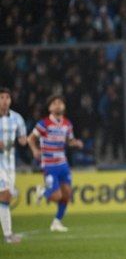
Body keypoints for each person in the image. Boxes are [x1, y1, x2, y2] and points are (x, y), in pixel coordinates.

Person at [27, 95, 84, 232]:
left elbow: (69, 141)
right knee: (56, 196)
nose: (58, 105)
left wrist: (76, 143)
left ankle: (56, 222)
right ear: (50, 108)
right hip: (49, 164)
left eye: (60, 103)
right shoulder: (44, 123)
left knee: (67, 195)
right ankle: (42, 191)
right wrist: (35, 150)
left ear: (64, 106)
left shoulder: (67, 124)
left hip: (63, 163)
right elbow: (30, 138)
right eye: (54, 103)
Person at [0, 87, 27, 243]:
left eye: (7, 97)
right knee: (5, 195)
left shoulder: (17, 118)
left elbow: (22, 138)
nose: (4, 100)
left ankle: (8, 234)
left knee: (6, 198)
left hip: (10, 164)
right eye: (1, 97)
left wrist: (23, 141)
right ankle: (8, 235)